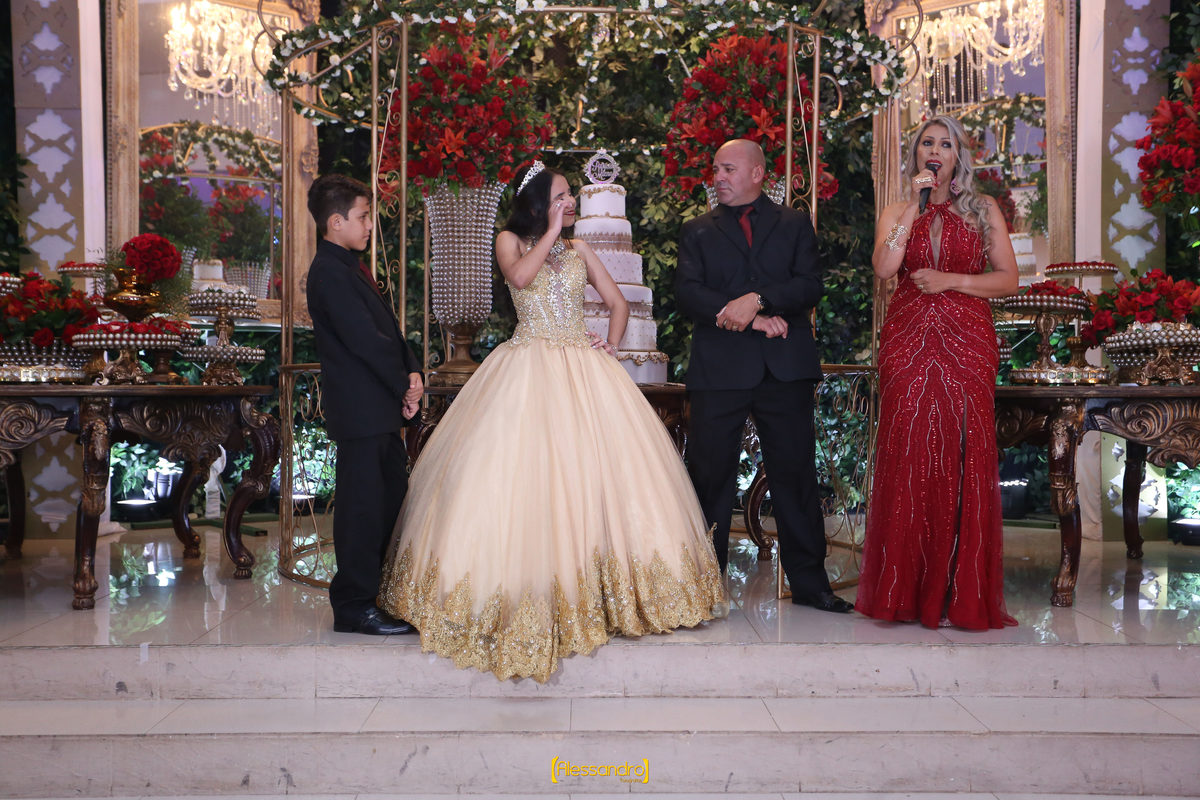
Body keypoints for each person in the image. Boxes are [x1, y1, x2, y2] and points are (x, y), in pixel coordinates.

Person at [377, 162, 727, 683]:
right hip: (526, 366)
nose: (570, 203)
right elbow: (520, 277)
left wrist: (610, 342)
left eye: (571, 197)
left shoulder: (580, 249)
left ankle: (609, 592)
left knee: (597, 477)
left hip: (582, 366)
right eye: (561, 195)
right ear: (539, 202)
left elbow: (617, 303)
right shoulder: (509, 241)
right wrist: (552, 234)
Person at [854, 114, 1019, 630]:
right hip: (908, 340)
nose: (936, 150)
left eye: (946, 144)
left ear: (958, 157)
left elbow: (1008, 280)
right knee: (910, 449)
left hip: (967, 340)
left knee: (961, 451)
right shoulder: (898, 210)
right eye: (927, 142)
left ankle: (956, 591)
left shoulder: (983, 209)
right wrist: (913, 207)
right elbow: (885, 268)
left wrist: (951, 280)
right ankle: (905, 590)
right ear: (916, 155)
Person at [676, 138, 852, 614]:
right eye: (715, 169)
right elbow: (688, 294)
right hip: (719, 370)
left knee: (795, 476)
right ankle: (702, 586)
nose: (718, 177)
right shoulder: (697, 230)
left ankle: (811, 585)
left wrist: (759, 300)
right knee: (709, 477)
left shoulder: (794, 224)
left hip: (785, 368)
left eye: (728, 169)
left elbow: (809, 285)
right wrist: (749, 317)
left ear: (757, 173)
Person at [305, 174, 423, 635]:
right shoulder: (328, 271)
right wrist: (403, 384)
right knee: (362, 509)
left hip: (378, 408)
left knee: (389, 499)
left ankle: (379, 595)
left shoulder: (349, 266)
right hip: (360, 412)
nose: (370, 224)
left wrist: (411, 371)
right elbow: (364, 341)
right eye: (363, 216)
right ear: (335, 222)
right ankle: (353, 606)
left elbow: (388, 331)